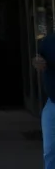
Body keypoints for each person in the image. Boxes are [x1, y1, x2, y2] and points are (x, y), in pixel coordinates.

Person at [34, 30, 55, 169]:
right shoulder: (49, 41)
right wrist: (37, 62)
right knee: (50, 150)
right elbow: (37, 59)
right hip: (53, 103)